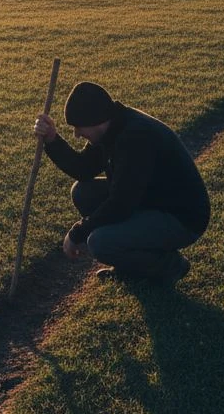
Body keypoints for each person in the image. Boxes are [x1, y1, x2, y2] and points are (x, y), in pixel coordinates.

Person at [33, 81, 209, 286]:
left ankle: (170, 265)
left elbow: (121, 204)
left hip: (181, 217)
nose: (77, 134)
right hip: (150, 199)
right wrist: (52, 140)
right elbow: (83, 169)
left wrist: (77, 232)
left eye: (79, 127)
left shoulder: (134, 137)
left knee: (100, 242)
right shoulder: (112, 128)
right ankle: (130, 264)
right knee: (83, 192)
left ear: (96, 119)